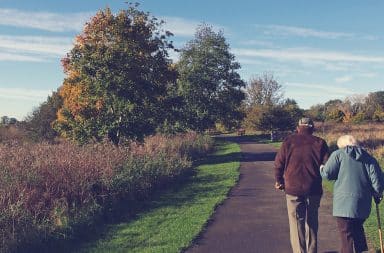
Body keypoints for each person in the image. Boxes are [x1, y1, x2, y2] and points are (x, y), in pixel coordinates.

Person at [321, 135, 384, 253]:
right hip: (362, 203)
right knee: (358, 229)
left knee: (346, 234)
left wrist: (321, 168)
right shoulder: (369, 158)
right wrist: (377, 194)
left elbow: (327, 174)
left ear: (342, 145)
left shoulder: (338, 154)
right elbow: (377, 183)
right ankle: (361, 251)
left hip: (342, 204)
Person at [274, 117, 329, 253]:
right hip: (314, 188)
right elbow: (327, 166)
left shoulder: (288, 141)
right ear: (312, 128)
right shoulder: (320, 142)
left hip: (293, 189)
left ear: (298, 128)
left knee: (296, 223)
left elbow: (278, 164)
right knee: (312, 222)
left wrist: (279, 180)